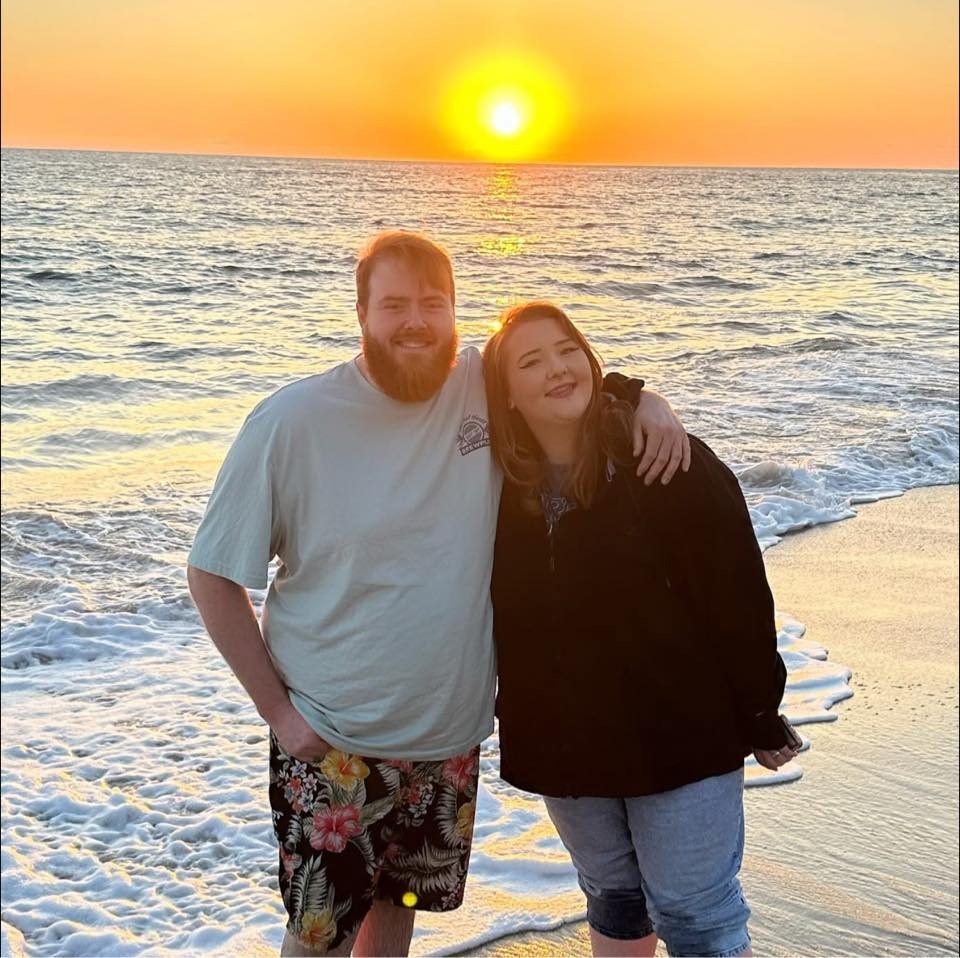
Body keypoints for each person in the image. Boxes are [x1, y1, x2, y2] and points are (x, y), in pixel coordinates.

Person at [186, 232, 689, 958]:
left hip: (447, 739)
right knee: (319, 938)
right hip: (334, 740)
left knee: (399, 914)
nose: (415, 322)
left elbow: (560, 375)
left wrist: (642, 398)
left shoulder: (479, 385)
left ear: (456, 311)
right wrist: (279, 715)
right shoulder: (290, 422)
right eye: (394, 305)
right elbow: (212, 574)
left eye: (433, 303)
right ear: (361, 313)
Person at [483, 300, 800, 958]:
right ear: (504, 393)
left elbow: (738, 592)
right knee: (613, 896)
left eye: (567, 350)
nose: (557, 368)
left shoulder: (661, 460)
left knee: (698, 915)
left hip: (677, 733)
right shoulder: (493, 484)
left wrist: (760, 712)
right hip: (565, 741)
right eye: (531, 362)